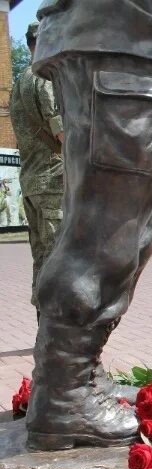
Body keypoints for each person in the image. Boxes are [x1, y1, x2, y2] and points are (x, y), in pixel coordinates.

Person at [24, 1, 152, 449]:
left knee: (137, 230)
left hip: (144, 42)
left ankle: (76, 375)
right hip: (129, 35)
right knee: (105, 235)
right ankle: (63, 397)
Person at [9, 22, 65, 310]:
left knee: (42, 257)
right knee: (57, 258)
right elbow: (63, 134)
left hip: (31, 181)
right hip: (53, 182)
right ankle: (55, 333)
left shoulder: (20, 80)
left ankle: (44, 327)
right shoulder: (44, 78)